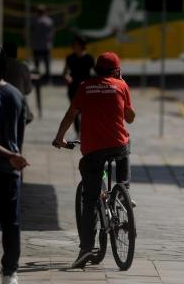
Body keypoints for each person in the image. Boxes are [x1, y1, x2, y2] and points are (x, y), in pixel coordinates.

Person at [53, 52, 135, 269]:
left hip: (93, 150)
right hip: (117, 146)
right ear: (116, 70)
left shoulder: (84, 86)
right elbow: (130, 118)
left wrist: (59, 137)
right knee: (126, 145)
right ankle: (124, 191)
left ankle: (86, 249)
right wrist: (123, 88)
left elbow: (71, 114)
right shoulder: (121, 85)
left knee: (89, 200)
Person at [0, 47, 29, 284]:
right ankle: (10, 274)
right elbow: (20, 134)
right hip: (12, 172)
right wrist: (15, 157)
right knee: (11, 223)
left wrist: (8, 155)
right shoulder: (17, 95)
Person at [63, 35, 95, 136]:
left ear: (81, 45)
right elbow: (65, 72)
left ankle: (86, 132)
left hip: (86, 88)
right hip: (73, 88)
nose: (73, 46)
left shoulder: (89, 58)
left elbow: (95, 72)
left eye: (75, 44)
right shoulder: (70, 57)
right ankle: (78, 133)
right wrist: (66, 77)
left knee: (86, 112)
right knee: (74, 112)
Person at [3, 42, 34, 124]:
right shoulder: (22, 66)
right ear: (16, 53)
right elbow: (28, 90)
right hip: (19, 106)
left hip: (1, 105)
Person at [31, 4, 54, 81]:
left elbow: (31, 31)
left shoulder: (34, 20)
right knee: (46, 64)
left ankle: (38, 79)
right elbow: (52, 32)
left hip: (38, 45)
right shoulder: (49, 20)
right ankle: (48, 79)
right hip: (45, 45)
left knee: (38, 64)